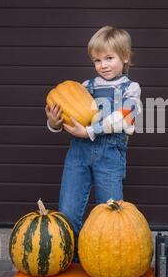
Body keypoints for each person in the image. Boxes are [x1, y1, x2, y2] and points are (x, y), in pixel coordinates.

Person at [45, 26, 141, 242]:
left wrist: (89, 131)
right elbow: (72, 117)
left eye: (109, 58)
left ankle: (108, 257)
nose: (103, 65)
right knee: (67, 211)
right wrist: (54, 122)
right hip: (78, 155)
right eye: (97, 60)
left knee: (111, 212)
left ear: (125, 57)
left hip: (109, 155)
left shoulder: (131, 89)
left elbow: (125, 118)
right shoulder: (84, 87)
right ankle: (71, 258)